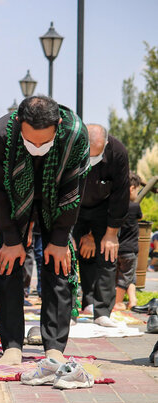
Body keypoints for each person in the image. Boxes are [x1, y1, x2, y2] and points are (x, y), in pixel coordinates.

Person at [0, 95, 89, 365]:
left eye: (45, 142)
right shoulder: (0, 134)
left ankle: (54, 346)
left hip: (58, 197)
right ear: (19, 123)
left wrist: (59, 238)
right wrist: (10, 238)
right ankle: (11, 345)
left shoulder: (75, 134)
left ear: (57, 125)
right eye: (31, 141)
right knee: (9, 264)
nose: (38, 146)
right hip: (13, 195)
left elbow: (74, 188)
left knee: (57, 263)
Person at [73, 124, 129, 327]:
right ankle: (69, 310)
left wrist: (111, 233)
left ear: (105, 144)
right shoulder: (69, 146)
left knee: (108, 255)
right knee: (67, 255)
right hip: (72, 208)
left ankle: (102, 312)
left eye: (96, 155)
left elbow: (121, 194)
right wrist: (63, 230)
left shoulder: (118, 152)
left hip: (103, 211)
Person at [114, 172, 143, 311]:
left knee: (129, 276)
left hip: (117, 248)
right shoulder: (135, 207)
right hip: (130, 250)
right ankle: (118, 302)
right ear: (131, 188)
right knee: (125, 277)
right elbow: (139, 219)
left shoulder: (115, 206)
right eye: (136, 190)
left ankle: (133, 301)